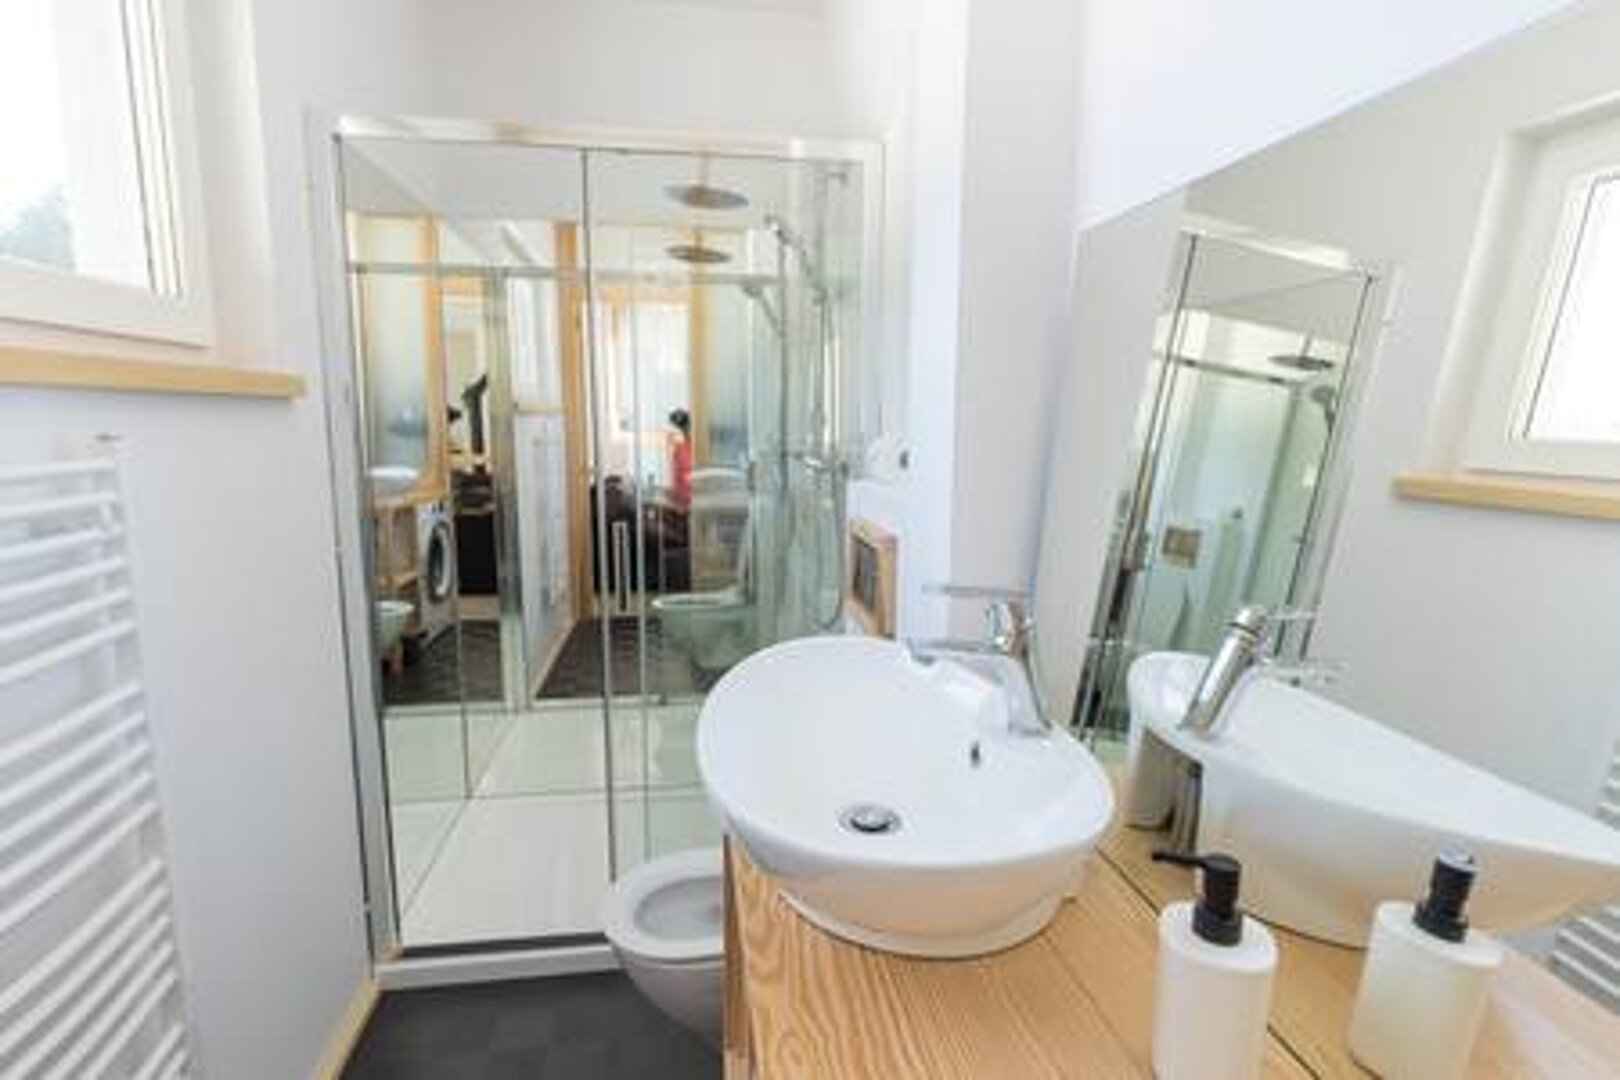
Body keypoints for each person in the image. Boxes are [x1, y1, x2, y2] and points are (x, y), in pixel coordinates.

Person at [668, 408, 693, 509]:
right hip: (681, 501)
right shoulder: (678, 449)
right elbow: (677, 476)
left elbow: (686, 480)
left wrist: (680, 499)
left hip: (686, 503)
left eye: (673, 432)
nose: (670, 436)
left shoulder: (685, 451)